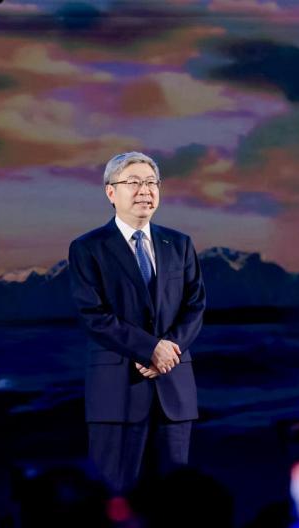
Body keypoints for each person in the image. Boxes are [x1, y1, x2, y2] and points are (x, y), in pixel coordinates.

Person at [67, 151, 206, 494]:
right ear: (111, 192)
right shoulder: (88, 247)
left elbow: (195, 305)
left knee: (175, 498)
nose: (145, 190)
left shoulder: (180, 244)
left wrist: (168, 352)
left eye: (151, 182)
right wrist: (150, 349)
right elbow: (93, 315)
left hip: (173, 390)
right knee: (115, 499)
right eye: (133, 182)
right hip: (117, 393)